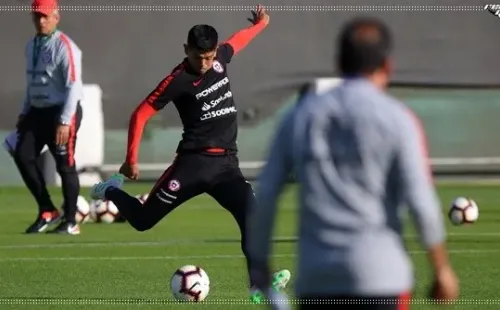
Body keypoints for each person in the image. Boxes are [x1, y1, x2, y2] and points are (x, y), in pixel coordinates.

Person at [246, 17, 460, 309]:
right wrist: (441, 269)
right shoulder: (398, 119)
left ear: (339, 63)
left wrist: (259, 265)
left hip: (318, 279)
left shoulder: (300, 116)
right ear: (387, 66)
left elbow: (267, 193)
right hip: (381, 277)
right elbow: (420, 200)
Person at [90, 5, 290, 304]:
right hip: (192, 165)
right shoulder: (177, 80)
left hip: (226, 167)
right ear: (187, 50)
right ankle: (110, 190)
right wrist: (131, 159)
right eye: (199, 57)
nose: (206, 63)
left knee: (252, 216)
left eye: (209, 57)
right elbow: (140, 113)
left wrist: (260, 25)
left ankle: (257, 284)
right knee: (144, 221)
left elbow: (237, 41)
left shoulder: (219, 57)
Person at [15, 0, 84, 235]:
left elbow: (74, 86)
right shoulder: (30, 45)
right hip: (37, 112)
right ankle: (47, 210)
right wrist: (25, 112)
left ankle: (71, 221)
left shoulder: (65, 46)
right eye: (37, 16)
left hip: (61, 111)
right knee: (22, 154)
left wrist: (65, 120)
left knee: (65, 165)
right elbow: (32, 83)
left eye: (45, 16)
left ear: (56, 16)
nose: (41, 20)